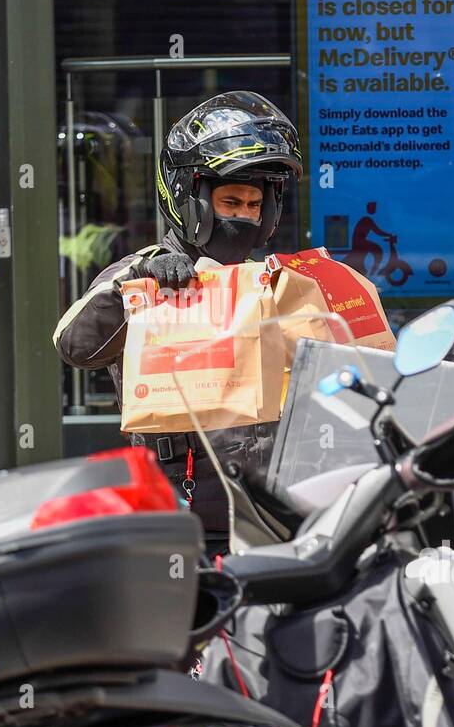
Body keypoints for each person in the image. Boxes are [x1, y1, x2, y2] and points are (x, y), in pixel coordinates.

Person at [52, 91, 302, 552]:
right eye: (231, 202)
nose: (244, 216)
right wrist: (138, 284)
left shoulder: (273, 282)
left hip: (273, 511)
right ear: (193, 201)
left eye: (254, 206)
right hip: (181, 511)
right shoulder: (144, 271)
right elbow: (75, 344)